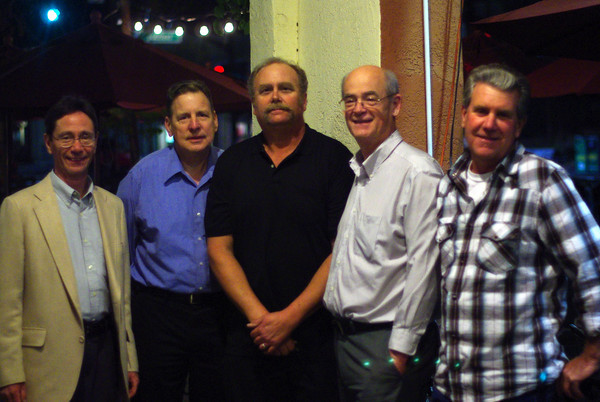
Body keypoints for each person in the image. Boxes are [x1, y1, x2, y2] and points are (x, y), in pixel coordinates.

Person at [433, 63, 600, 401]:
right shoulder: (448, 186)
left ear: (519, 125)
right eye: (481, 111)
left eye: (503, 115)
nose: (489, 123)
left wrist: (593, 353)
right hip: (451, 389)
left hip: (521, 390)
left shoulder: (542, 180)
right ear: (464, 115)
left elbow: (592, 265)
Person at [205, 57, 354, 401]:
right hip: (247, 336)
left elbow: (342, 251)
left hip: (315, 338)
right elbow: (218, 250)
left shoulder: (334, 159)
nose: (275, 96)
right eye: (265, 90)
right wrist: (263, 321)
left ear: (304, 100)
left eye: (285, 88)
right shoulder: (231, 164)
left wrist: (288, 320)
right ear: (254, 103)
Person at [0, 95, 139, 401]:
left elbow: (123, 296)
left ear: (96, 141)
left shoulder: (113, 206)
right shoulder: (19, 208)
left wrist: (129, 358)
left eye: (85, 137)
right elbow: (7, 300)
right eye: (66, 137)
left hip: (107, 353)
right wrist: (9, 371)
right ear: (48, 143)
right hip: (47, 362)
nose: (77, 147)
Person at [323, 65, 443, 401]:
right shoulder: (360, 172)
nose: (358, 108)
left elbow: (424, 269)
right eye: (350, 100)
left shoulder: (417, 173)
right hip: (344, 342)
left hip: (386, 346)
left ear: (395, 105)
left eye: (370, 99)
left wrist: (401, 351)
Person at [117, 80, 226, 401]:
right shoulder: (140, 178)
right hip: (157, 315)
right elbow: (122, 251)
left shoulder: (233, 171)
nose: (194, 125)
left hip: (219, 313)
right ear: (168, 125)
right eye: (183, 117)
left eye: (202, 115)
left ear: (215, 121)